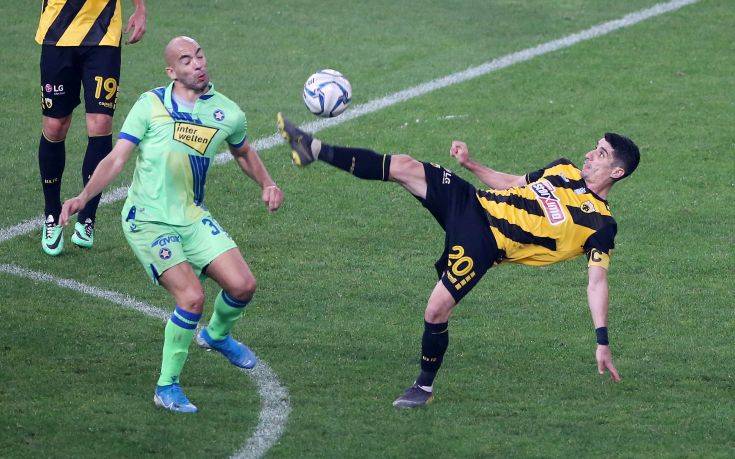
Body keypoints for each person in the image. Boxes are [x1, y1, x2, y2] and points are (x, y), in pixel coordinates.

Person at [277, 113, 639, 408]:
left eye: (600, 153)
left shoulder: (601, 225)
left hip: (484, 243)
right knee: (405, 166)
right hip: (471, 202)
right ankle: (313, 149)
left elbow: (597, 282)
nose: (589, 154)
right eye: (595, 148)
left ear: (617, 172)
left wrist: (602, 340)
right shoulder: (564, 170)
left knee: (435, 310)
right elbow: (512, 182)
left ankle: (423, 387)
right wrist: (470, 163)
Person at [60, 37, 284, 413]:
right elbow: (116, 159)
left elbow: (243, 151)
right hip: (147, 219)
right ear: (172, 71)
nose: (197, 64)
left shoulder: (227, 113)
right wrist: (83, 198)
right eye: (186, 60)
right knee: (192, 298)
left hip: (191, 216)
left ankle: (216, 335)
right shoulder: (150, 105)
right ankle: (166, 386)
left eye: (199, 55)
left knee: (243, 285)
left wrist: (267, 183)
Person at [37, 0, 147, 255]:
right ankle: (52, 213)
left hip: (103, 30)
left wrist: (140, 8)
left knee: (101, 122)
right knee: (54, 126)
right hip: (57, 29)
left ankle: (87, 217)